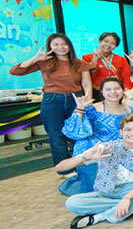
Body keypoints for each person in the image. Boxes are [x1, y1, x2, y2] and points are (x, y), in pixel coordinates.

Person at [58, 114, 133, 229]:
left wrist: (127, 198)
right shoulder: (107, 147)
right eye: (128, 130)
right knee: (72, 202)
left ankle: (99, 217)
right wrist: (85, 157)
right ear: (121, 132)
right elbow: (60, 168)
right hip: (108, 191)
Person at [10, 33, 93, 167]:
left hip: (76, 100)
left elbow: (87, 84)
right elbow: (15, 71)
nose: (61, 47)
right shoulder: (45, 62)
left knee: (78, 134)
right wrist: (35, 58)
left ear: (69, 46)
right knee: (56, 137)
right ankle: (65, 169)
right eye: (56, 44)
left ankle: (81, 166)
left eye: (64, 44)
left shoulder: (79, 63)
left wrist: (87, 104)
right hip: (52, 101)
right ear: (50, 47)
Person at [58, 77, 130, 195]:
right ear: (102, 92)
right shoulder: (92, 108)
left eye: (117, 88)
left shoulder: (130, 110)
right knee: (96, 188)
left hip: (118, 151)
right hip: (92, 152)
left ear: (123, 90)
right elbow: (72, 132)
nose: (113, 92)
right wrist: (80, 108)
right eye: (108, 89)